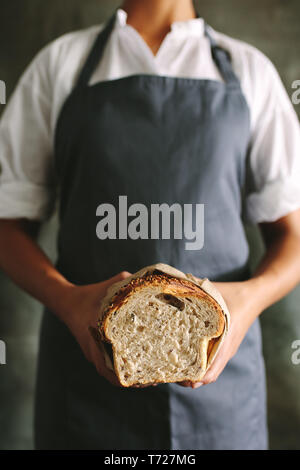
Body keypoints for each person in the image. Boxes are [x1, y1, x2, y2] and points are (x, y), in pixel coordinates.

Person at [0, 0, 300, 451]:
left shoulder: (248, 71)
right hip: (84, 400)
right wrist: (69, 302)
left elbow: (293, 233)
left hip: (222, 404)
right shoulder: (60, 65)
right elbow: (7, 226)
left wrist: (247, 300)